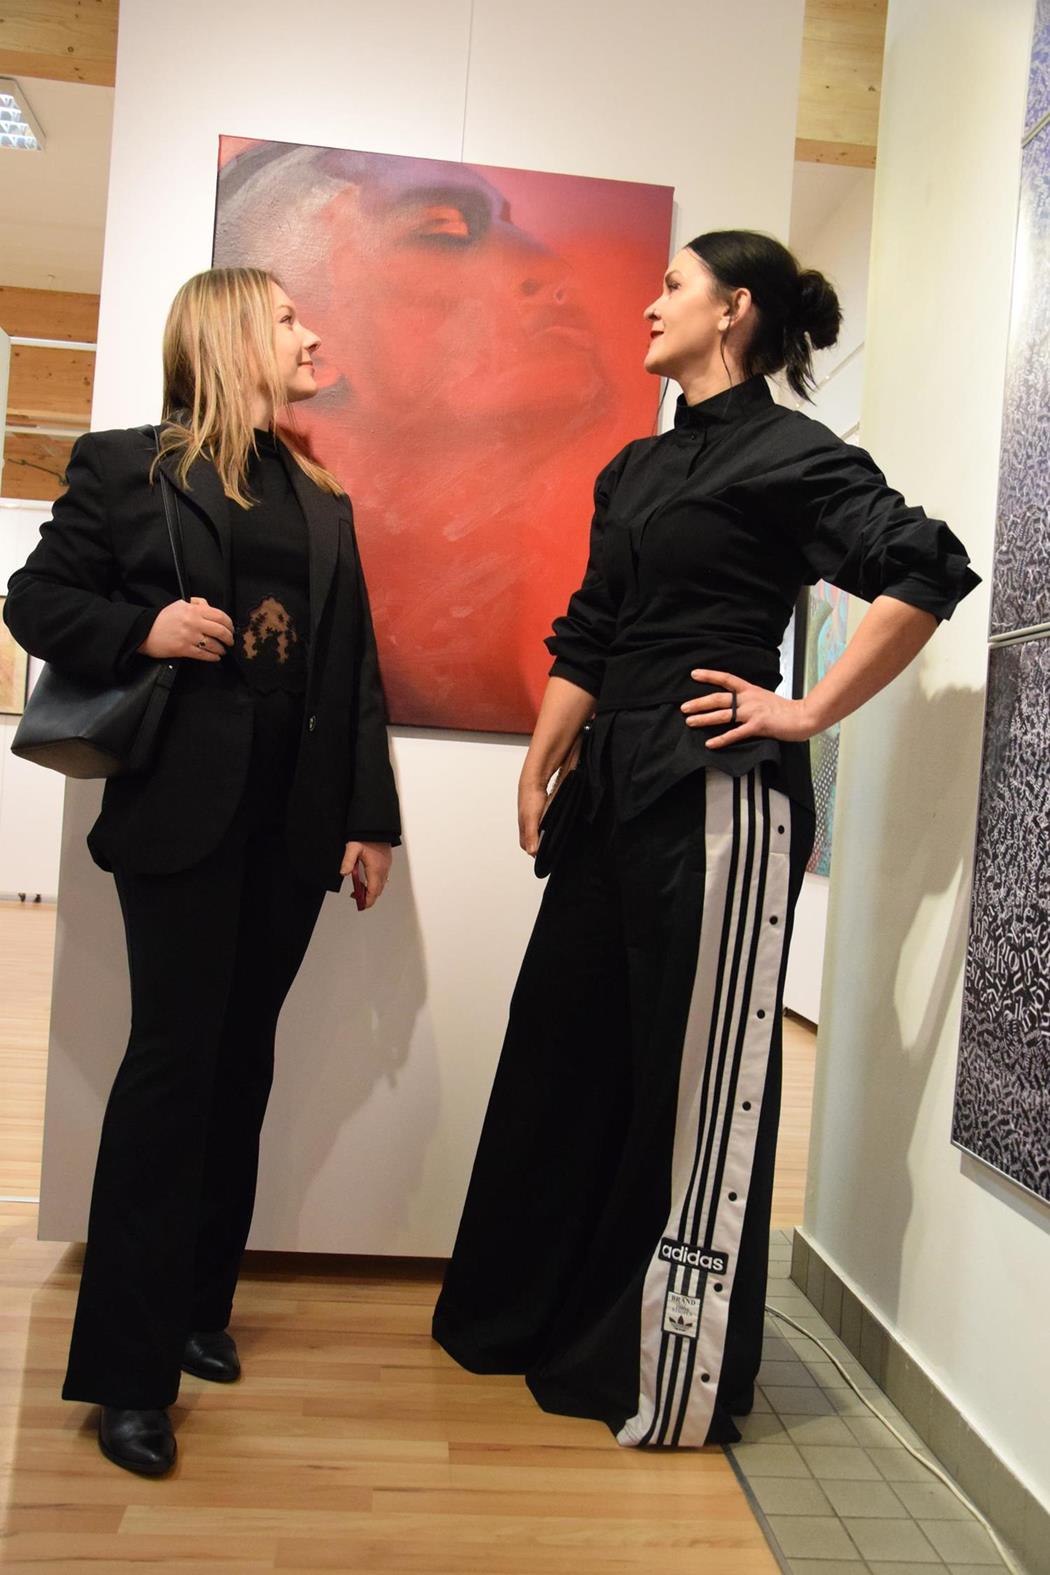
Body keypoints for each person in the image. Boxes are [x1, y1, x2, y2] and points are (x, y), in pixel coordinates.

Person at [432, 230, 980, 1449]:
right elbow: (592, 629)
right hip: (611, 788)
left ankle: (655, 1362)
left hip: (717, 796)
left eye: (672, 285)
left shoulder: (794, 454)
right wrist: (541, 758)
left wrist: (807, 710)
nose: (650, 303)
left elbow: (927, 567)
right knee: (566, 1045)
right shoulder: (634, 467)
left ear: (733, 311)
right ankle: (526, 1316)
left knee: (695, 1078)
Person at [4, 266, 400, 1476]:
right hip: (181, 815)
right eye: (286, 318)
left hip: (295, 822)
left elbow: (353, 667)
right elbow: (34, 600)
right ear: (228, 336)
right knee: (174, 1069)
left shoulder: (321, 495)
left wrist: (370, 819)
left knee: (242, 1063)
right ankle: (126, 1376)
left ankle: (192, 1309)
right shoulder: (127, 466)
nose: (311, 334)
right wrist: (143, 628)